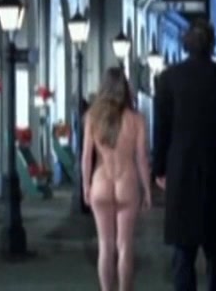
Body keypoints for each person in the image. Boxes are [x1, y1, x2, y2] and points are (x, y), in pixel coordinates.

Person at [152, 21, 216, 291]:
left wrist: (159, 168)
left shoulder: (168, 78)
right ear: (212, 45)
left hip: (182, 172)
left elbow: (162, 129)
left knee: (183, 252)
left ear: (186, 45)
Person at [82, 68, 151, 291]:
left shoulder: (93, 118)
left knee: (105, 245)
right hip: (126, 182)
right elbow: (141, 158)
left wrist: (86, 185)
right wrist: (147, 189)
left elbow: (86, 157)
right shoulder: (136, 120)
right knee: (125, 246)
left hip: (101, 182)